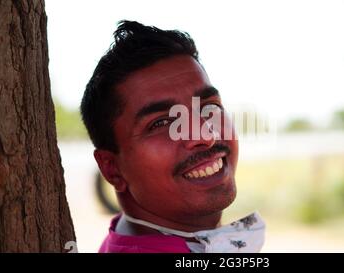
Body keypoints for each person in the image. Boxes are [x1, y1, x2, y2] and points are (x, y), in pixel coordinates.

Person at [80, 20, 265, 253]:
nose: (205, 135)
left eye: (208, 108)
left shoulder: (125, 235)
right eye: (163, 122)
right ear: (111, 169)